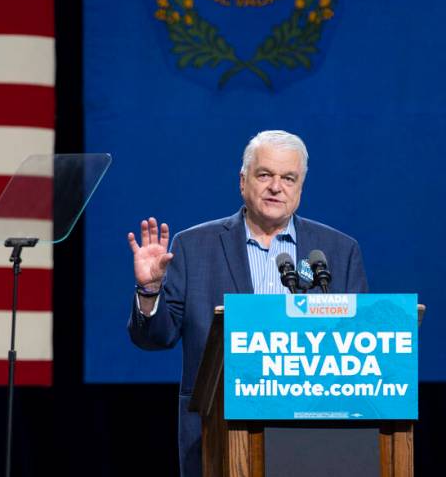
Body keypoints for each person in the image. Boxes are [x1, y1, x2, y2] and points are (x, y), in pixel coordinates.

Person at [127, 130, 369, 477]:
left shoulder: (338, 252)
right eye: (265, 174)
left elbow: (360, 350)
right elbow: (155, 338)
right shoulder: (194, 247)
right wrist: (149, 290)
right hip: (219, 435)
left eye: (289, 178)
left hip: (315, 437)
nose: (276, 186)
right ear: (243, 181)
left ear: (300, 187)